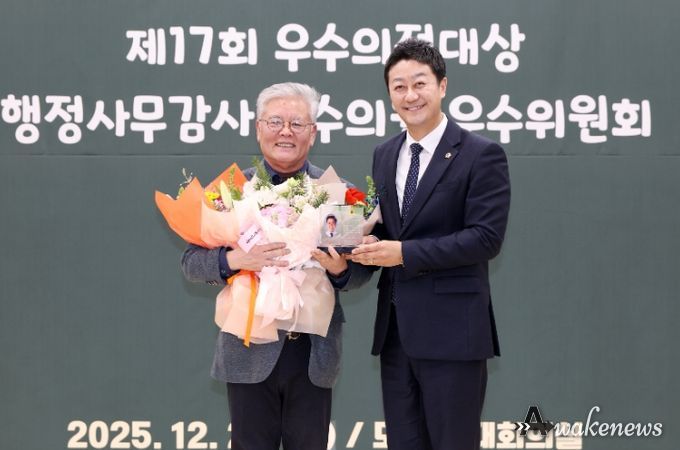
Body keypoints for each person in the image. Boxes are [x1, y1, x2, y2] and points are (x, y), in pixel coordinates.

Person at [181, 82, 370, 450]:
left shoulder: (336, 192)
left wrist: (339, 270)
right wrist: (234, 260)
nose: (285, 131)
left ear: (312, 133)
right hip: (247, 348)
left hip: (312, 353)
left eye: (297, 124)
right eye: (275, 122)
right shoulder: (232, 190)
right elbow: (191, 263)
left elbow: (359, 272)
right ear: (258, 128)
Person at [349, 39, 511, 450]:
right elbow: (389, 232)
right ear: (390, 95)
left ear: (442, 86)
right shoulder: (384, 154)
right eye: (399, 87)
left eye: (419, 83)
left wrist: (403, 254)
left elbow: (485, 238)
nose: (410, 95)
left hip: (453, 334)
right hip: (396, 334)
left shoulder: (481, 154)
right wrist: (357, 250)